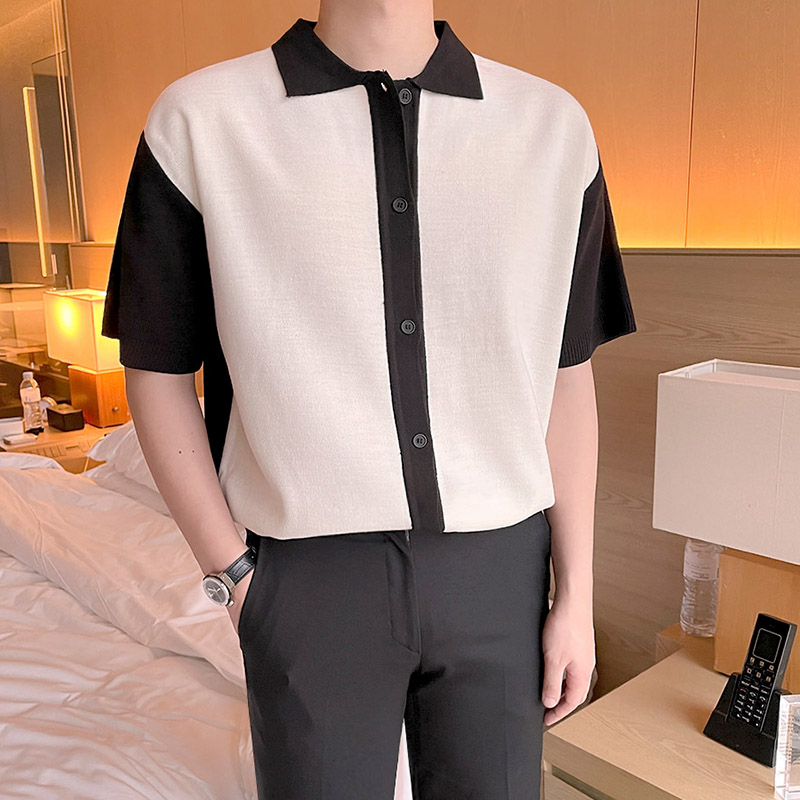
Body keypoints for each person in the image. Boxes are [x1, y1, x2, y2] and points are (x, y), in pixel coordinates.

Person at [101, 1, 637, 798]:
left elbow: (565, 374)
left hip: (501, 575)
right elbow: (156, 370)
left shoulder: (553, 129)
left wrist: (577, 596)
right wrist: (234, 578)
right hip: (307, 582)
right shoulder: (201, 123)